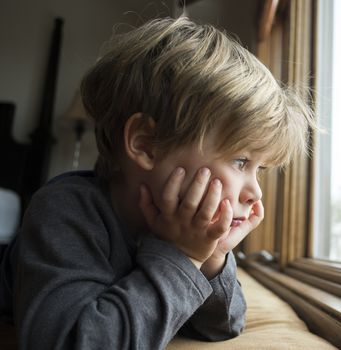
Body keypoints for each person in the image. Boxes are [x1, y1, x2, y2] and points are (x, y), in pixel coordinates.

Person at [0, 16, 315, 349]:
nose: (256, 192)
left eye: (260, 168)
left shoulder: (186, 226)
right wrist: (181, 256)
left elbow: (223, 327)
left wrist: (212, 256)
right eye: (240, 161)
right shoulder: (66, 210)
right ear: (146, 144)